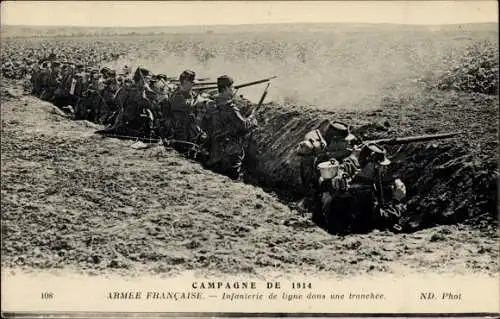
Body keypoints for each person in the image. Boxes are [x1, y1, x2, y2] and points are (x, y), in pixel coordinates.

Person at [318, 143, 406, 234]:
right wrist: (397, 201)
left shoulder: (355, 178)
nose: (385, 168)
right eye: (381, 165)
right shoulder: (364, 192)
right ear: (372, 165)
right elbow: (382, 219)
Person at [203, 75, 258, 180]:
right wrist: (252, 118)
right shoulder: (229, 108)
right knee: (233, 178)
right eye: (232, 87)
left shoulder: (211, 104)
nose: (233, 90)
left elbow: (205, 125)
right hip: (230, 154)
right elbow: (243, 126)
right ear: (226, 89)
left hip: (214, 152)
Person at [297, 121, 357, 215]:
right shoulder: (315, 146)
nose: (346, 143)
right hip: (320, 170)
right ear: (335, 140)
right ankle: (311, 199)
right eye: (342, 140)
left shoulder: (345, 146)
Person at [164, 70, 205, 154]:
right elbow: (188, 107)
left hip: (187, 130)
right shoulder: (177, 96)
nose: (194, 85)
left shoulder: (185, 94)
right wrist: (198, 98)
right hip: (180, 133)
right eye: (192, 82)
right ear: (185, 82)